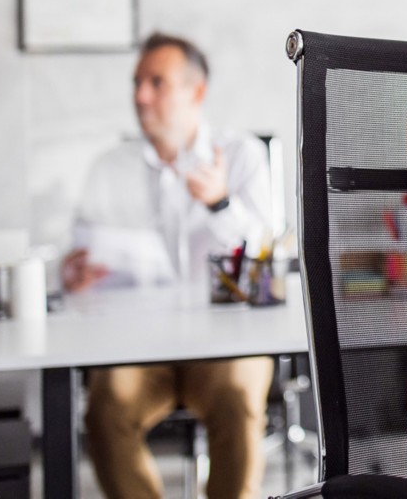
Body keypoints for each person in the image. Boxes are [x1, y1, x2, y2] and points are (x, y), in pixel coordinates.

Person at [61, 32, 274, 499]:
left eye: (156, 82)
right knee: (105, 407)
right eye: (137, 83)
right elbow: (80, 253)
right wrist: (72, 275)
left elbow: (262, 260)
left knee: (239, 397)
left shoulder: (242, 158)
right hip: (136, 345)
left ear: (196, 91)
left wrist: (220, 204)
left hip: (225, 341)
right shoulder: (108, 168)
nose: (140, 96)